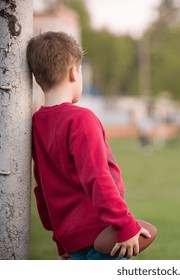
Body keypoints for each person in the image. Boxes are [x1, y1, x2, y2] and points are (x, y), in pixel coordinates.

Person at [27, 31, 150, 260]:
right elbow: (97, 177)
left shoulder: (36, 123)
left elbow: (41, 186)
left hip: (71, 239)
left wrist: (60, 238)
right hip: (101, 234)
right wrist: (125, 225)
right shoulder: (81, 119)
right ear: (74, 72)